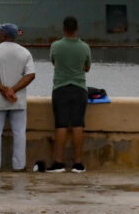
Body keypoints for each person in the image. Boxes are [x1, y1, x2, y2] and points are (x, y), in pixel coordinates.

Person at [0, 23, 35, 171]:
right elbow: (31, 75)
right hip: (18, 101)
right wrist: (13, 90)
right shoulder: (25, 53)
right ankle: (19, 165)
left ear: (4, 35)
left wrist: (3, 90)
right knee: (19, 133)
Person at [47, 16, 91, 173]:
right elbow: (87, 67)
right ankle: (78, 163)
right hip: (79, 88)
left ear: (64, 28)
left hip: (60, 89)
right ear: (77, 28)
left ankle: (58, 162)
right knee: (78, 125)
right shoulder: (85, 47)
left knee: (61, 125)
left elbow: (54, 62)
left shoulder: (56, 46)